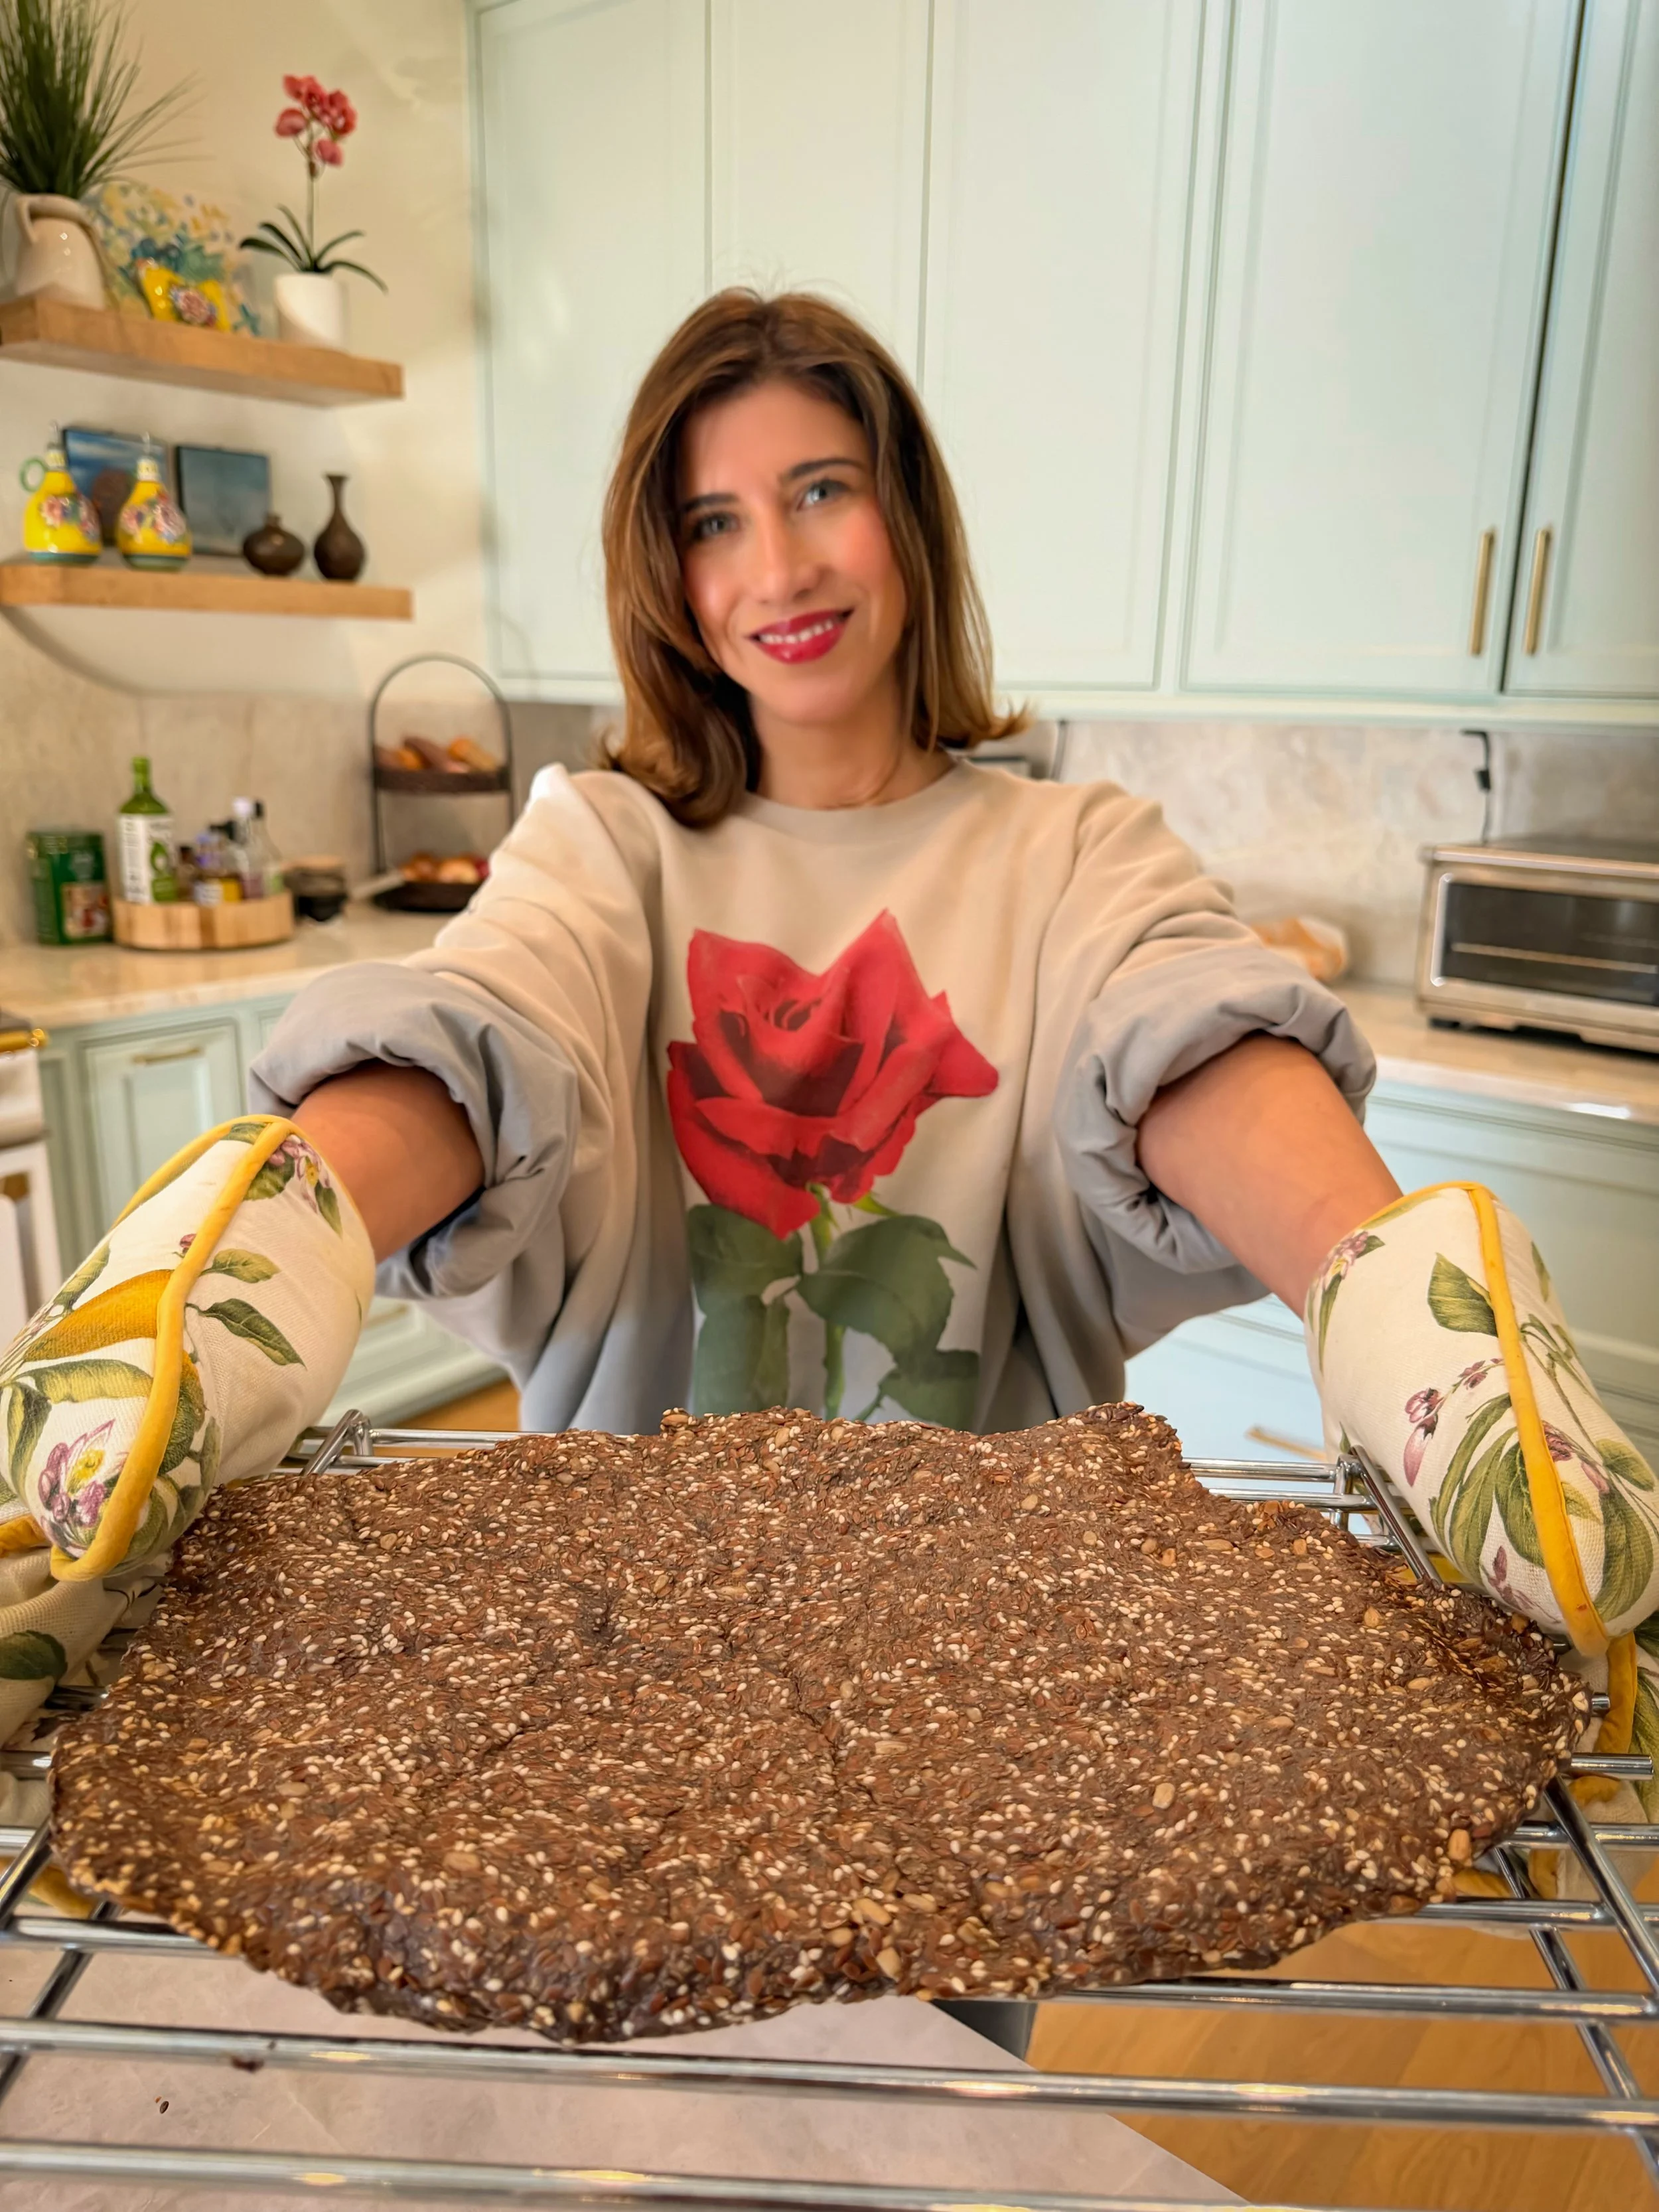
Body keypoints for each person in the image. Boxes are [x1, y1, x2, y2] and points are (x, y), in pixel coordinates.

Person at [1, 295, 1653, 2142]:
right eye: (711, 519)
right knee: (625, 2139)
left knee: (922, 2130)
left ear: (908, 524)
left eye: (820, 492)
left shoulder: (1072, 853)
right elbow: (501, 1018)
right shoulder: (605, 840)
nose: (772, 565)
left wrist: (1390, 1306)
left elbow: (1172, 1028)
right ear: (662, 567)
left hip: (997, 1711)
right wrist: (269, 1252)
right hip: (592, 1689)